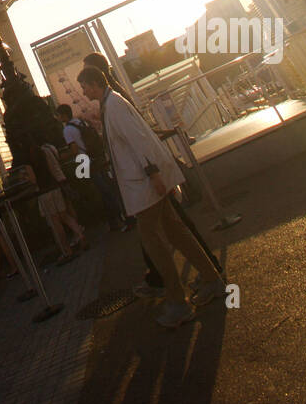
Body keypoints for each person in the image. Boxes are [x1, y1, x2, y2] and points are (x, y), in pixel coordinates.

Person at [77, 65, 225, 329]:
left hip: (143, 185)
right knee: (175, 231)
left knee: (154, 242)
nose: (83, 92)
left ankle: (178, 302)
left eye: (84, 87)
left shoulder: (115, 106)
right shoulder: (111, 104)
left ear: (93, 84)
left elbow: (138, 140)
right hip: (145, 182)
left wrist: (154, 174)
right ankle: (211, 278)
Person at [56, 102, 127, 231]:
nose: (58, 118)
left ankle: (116, 218)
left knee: (97, 191)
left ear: (63, 116)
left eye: (58, 115)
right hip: (96, 156)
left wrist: (59, 157)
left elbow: (74, 150)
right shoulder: (80, 122)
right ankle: (119, 216)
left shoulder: (67, 130)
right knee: (107, 187)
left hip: (84, 161)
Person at [26, 142, 88, 262]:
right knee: (64, 215)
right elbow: (53, 168)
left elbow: (33, 179)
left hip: (43, 191)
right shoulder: (45, 151)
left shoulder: (29, 159)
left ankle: (66, 250)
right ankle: (80, 234)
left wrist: (26, 178)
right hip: (55, 186)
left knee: (55, 222)